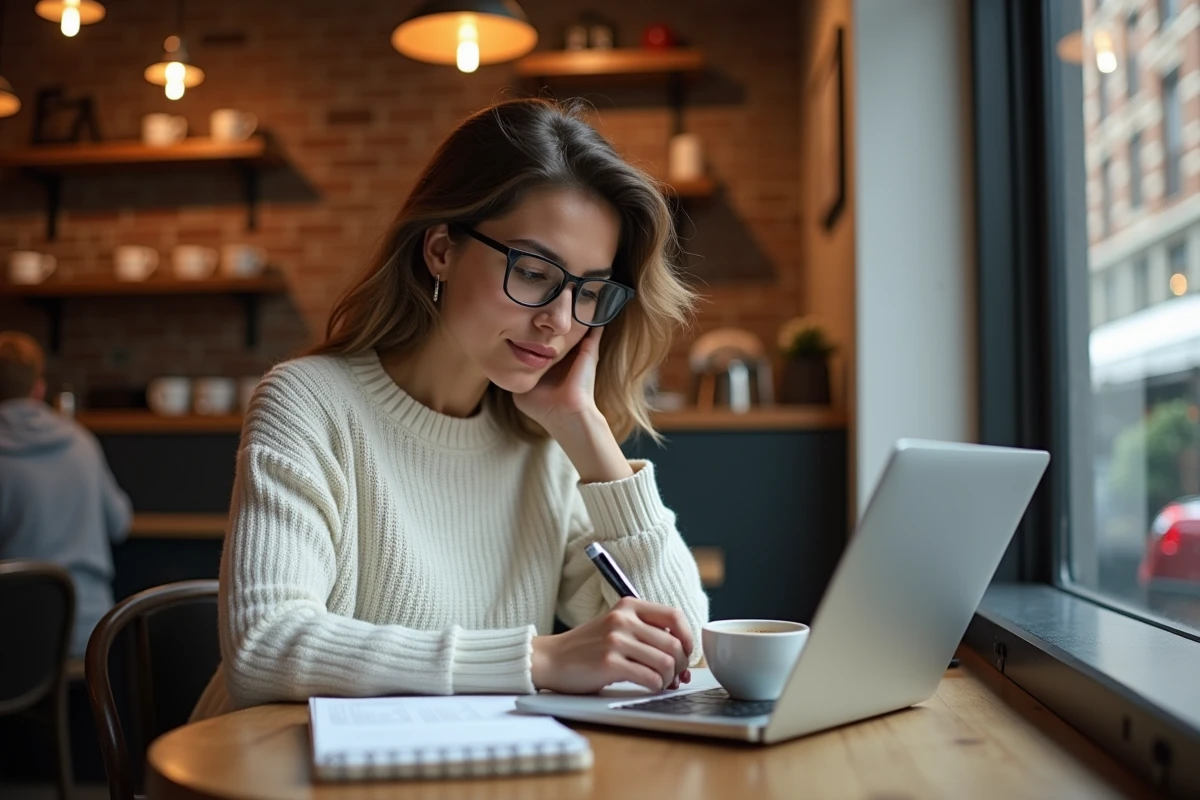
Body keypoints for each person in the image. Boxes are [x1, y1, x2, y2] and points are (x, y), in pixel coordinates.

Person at [191, 98, 709, 721]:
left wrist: (591, 439)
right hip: (265, 774)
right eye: (536, 271)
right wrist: (538, 660)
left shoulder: (544, 447)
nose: (558, 319)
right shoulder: (309, 402)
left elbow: (690, 651)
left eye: (589, 292)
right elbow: (262, 648)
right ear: (441, 249)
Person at [0, 331, 132, 658]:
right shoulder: (81, 442)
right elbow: (121, 523)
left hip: (13, 635)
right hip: (87, 631)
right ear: (39, 388)